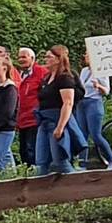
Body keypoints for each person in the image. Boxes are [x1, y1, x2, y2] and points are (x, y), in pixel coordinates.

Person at [35, 47, 80, 176]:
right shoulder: (46, 78)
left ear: (58, 59)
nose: (46, 59)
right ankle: (41, 186)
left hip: (56, 120)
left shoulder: (64, 78)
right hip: (43, 121)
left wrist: (60, 127)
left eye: (49, 57)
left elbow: (68, 102)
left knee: (60, 160)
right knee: (41, 161)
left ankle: (77, 182)